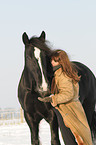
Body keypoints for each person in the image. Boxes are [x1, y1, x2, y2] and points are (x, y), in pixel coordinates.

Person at [38, 50, 93, 145]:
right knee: (79, 136)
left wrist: (53, 99)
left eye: (54, 61)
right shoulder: (61, 72)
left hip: (69, 109)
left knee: (70, 138)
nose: (51, 62)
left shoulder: (62, 75)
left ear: (61, 61)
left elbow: (68, 94)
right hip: (70, 108)